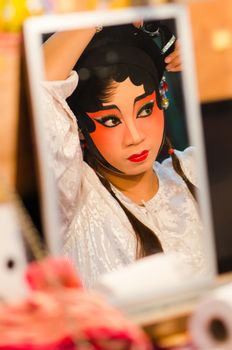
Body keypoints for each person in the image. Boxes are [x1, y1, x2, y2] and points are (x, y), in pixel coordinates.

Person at [41, 23, 205, 288]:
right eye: (110, 121)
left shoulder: (196, 171)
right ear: (77, 127)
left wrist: (211, 56)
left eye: (145, 110)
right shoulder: (73, 199)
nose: (135, 136)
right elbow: (40, 90)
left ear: (162, 100)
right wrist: (98, 13)